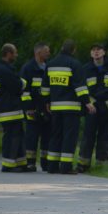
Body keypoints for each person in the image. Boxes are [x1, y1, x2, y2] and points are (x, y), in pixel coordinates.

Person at [43, 39, 95, 174]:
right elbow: (80, 87)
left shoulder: (50, 64)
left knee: (55, 135)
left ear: (61, 48)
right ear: (73, 50)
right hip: (71, 108)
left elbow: (45, 88)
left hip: (55, 107)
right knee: (69, 136)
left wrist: (46, 102)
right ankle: (65, 167)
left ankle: (52, 166)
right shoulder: (75, 64)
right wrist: (87, 102)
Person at [77, 42, 108, 172]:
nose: (96, 52)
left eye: (99, 50)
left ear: (104, 52)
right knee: (88, 135)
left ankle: (101, 166)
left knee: (104, 136)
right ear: (91, 54)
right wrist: (88, 102)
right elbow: (81, 87)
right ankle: (83, 164)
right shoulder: (85, 69)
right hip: (92, 108)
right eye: (93, 50)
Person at [0, 43, 33, 172]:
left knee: (18, 135)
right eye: (15, 52)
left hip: (11, 109)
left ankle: (20, 163)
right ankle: (8, 165)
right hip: (8, 110)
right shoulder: (4, 70)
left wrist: (20, 83)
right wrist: (23, 83)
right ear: (8, 53)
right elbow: (17, 86)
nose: (16, 55)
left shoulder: (5, 68)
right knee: (11, 136)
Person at [20, 42, 51, 171]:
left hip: (46, 108)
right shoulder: (28, 68)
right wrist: (29, 108)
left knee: (47, 136)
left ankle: (45, 163)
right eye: (47, 51)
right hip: (32, 109)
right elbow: (24, 91)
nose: (49, 53)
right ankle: (30, 162)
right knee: (31, 136)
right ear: (38, 53)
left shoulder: (49, 67)